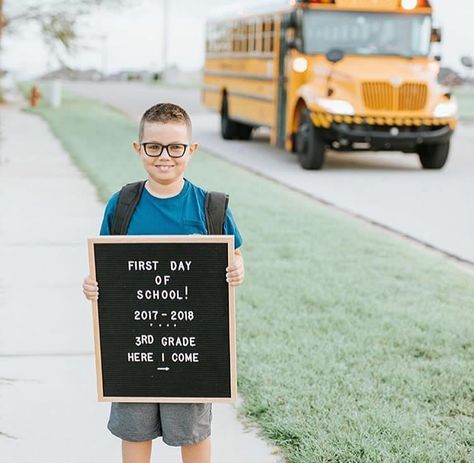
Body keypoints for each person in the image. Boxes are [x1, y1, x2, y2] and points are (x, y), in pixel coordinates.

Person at [82, 102, 245, 463]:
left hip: (191, 348)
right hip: (134, 345)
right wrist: (92, 285)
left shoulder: (210, 207)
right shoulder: (123, 204)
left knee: (192, 431)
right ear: (139, 148)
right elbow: (104, 265)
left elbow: (234, 253)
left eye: (175, 148)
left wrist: (237, 267)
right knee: (135, 429)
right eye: (153, 147)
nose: (164, 157)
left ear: (192, 150)